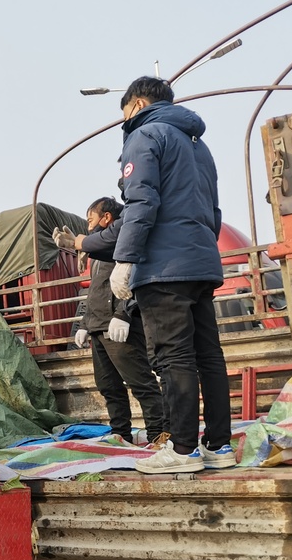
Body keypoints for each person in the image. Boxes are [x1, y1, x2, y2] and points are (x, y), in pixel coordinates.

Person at [106, 77, 235, 473]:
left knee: (173, 356)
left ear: (137, 103)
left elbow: (141, 200)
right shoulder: (200, 146)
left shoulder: (145, 134)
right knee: (208, 356)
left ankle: (181, 450)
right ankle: (219, 446)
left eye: (124, 111)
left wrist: (125, 258)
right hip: (199, 261)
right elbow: (213, 212)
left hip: (163, 268)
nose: (123, 119)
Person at [54, 197, 167, 444]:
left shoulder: (125, 245)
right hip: (98, 327)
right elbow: (96, 290)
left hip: (118, 327)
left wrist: (123, 314)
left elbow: (133, 283)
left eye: (91, 219)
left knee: (141, 382)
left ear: (107, 218)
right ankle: (121, 434)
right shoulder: (98, 254)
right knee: (108, 386)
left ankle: (159, 434)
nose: (88, 225)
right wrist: (84, 324)